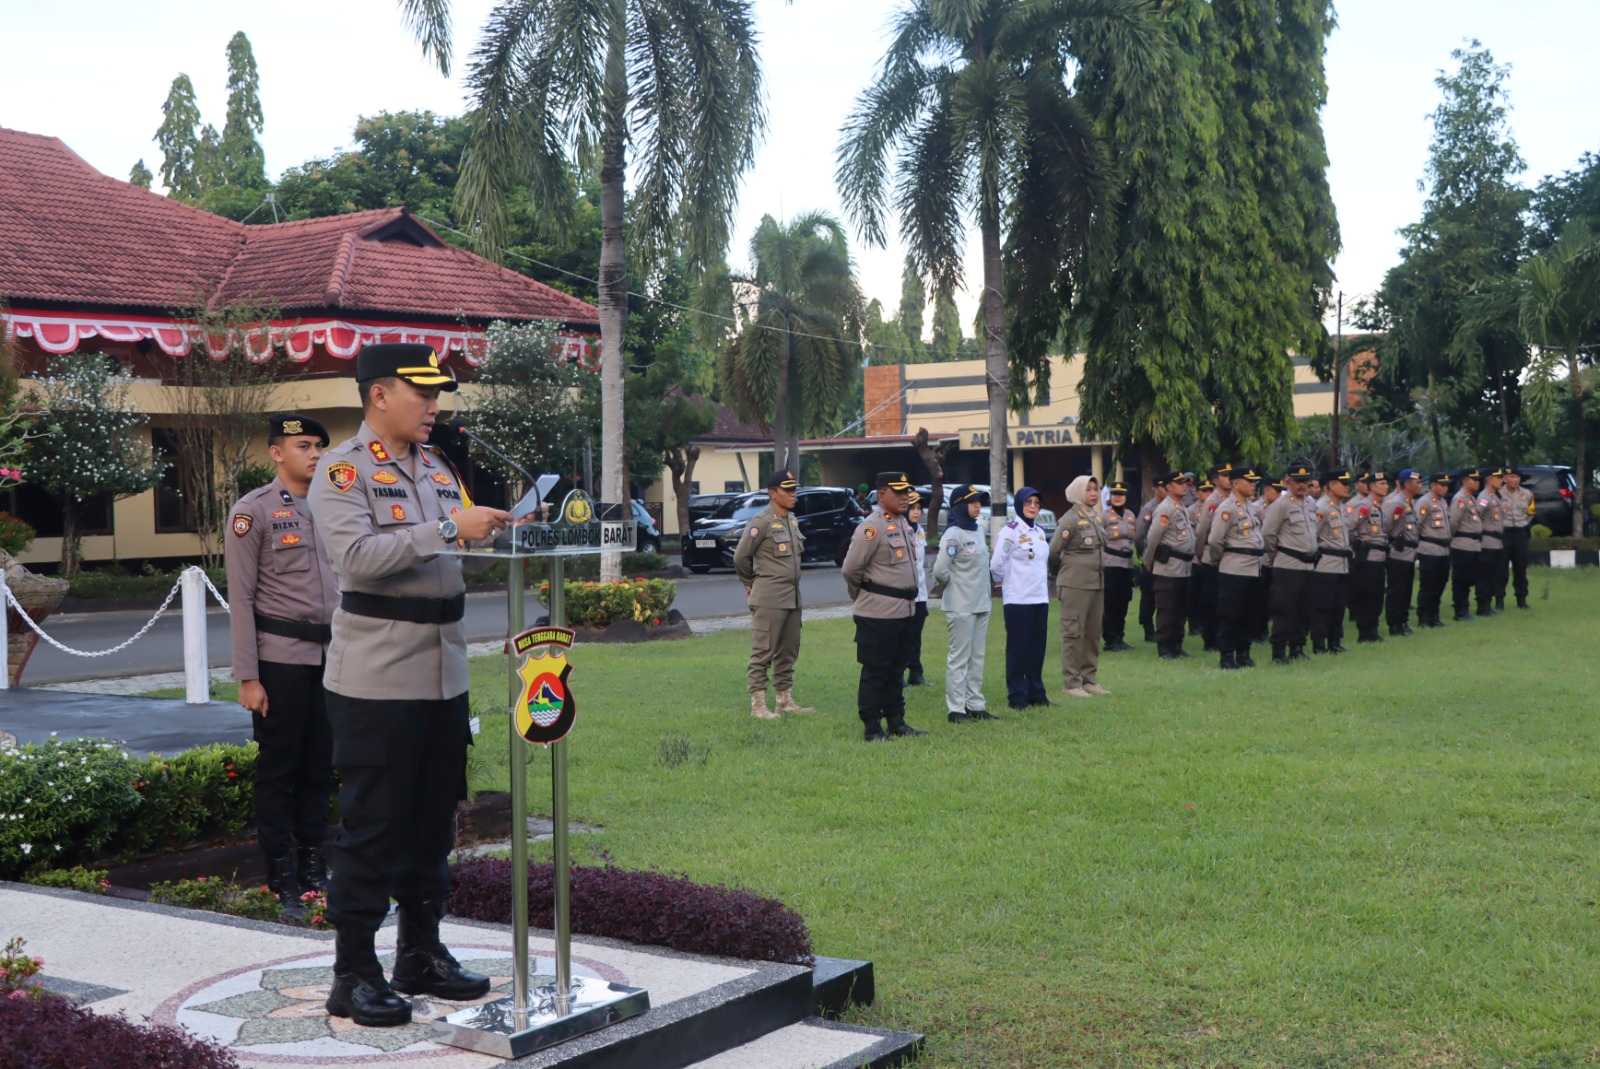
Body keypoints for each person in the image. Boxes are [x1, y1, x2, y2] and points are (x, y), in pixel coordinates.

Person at [309, 343, 510, 1027]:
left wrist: (493, 530)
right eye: (420, 394)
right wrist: (450, 524)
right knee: (373, 825)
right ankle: (353, 971)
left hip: (442, 672)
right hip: (377, 679)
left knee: (431, 825)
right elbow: (359, 559)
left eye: (437, 394)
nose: (434, 406)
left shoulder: (437, 466)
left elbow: (446, 549)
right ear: (378, 396)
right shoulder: (342, 471)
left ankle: (419, 951)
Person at [225, 414, 337, 914]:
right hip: (280, 661)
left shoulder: (335, 506)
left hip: (333, 659)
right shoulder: (254, 512)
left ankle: (315, 867)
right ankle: (281, 875)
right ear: (276, 452)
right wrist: (249, 676)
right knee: (279, 771)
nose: (313, 454)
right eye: (303, 445)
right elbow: (241, 599)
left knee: (321, 767)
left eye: (317, 446)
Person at [841, 471, 926, 741]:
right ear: (881, 495)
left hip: (904, 611)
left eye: (906, 492)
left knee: (896, 670)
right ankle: (872, 726)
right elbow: (851, 569)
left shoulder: (903, 524)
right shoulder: (870, 526)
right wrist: (864, 596)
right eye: (898, 492)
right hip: (877, 613)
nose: (904, 498)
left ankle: (897, 721)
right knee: (876, 671)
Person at [732, 468, 813, 720]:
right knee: (763, 651)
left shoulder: (791, 520)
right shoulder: (761, 522)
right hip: (769, 596)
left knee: (788, 649)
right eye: (787, 490)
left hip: (792, 596)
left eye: (794, 489)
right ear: (772, 493)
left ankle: (784, 700)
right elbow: (741, 557)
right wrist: (752, 583)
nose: (793, 495)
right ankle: (758, 705)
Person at [932, 485, 995, 723]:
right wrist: (955, 584)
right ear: (959, 505)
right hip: (960, 605)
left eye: (980, 501)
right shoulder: (953, 534)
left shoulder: (978, 531)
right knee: (959, 658)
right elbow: (939, 570)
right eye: (973, 502)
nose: (978, 506)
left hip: (981, 603)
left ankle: (975, 704)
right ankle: (956, 709)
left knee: (977, 657)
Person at [992, 486, 1051, 707]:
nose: (1033, 507)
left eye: (1036, 503)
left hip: (1040, 598)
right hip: (1018, 599)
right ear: (1019, 505)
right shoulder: (1010, 531)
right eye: (1028, 503)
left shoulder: (1040, 532)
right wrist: (1005, 582)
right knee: (1018, 649)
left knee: (1037, 648)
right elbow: (997, 563)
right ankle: (1017, 695)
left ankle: (1037, 693)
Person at [1050, 476, 1107, 697]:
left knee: (1093, 633)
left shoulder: (1095, 517)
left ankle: (1089, 679)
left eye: (1096, 489)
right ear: (1077, 492)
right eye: (1088, 490)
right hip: (1075, 584)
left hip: (1096, 583)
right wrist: (1061, 575)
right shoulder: (1070, 519)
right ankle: (1072, 683)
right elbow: (1054, 552)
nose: (1093, 493)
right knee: (1073, 633)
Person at [1207, 468, 1264, 669]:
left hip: (1253, 568)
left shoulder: (1251, 507)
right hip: (1234, 568)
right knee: (1230, 614)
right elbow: (1215, 540)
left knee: (1249, 614)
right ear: (1236, 484)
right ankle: (1227, 656)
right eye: (1249, 481)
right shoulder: (1227, 508)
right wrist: (1218, 561)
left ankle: (1243, 653)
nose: (1253, 485)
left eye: (1254, 481)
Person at [1262, 462, 1318, 662]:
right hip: (1288, 565)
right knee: (1285, 610)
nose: (1302, 486)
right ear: (1287, 481)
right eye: (1297, 481)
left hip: (1308, 564)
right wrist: (1276, 555)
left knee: (1304, 609)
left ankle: (1298, 648)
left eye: (1305, 481)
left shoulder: (1311, 503)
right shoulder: (1280, 504)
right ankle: (1279, 651)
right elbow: (1268, 534)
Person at [1145, 471, 1195, 660]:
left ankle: (1177, 645)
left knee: (1180, 609)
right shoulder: (1165, 508)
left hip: (1183, 567)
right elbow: (1153, 538)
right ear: (1168, 487)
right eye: (1179, 482)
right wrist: (1148, 562)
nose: (1184, 486)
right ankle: (1165, 648)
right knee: (1167, 609)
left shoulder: (1181, 507)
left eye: (1185, 483)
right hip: (1168, 567)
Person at [1310, 469, 1354, 654]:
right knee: (1322, 606)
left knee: (1338, 606)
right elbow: (1313, 536)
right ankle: (1319, 644)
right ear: (1329, 486)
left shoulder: (1342, 507)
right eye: (1342, 483)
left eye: (1347, 483)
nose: (1346, 487)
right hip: (1326, 564)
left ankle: (1335, 642)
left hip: (1341, 564)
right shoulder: (1322, 508)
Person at [1191, 464, 1233, 651]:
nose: (1229, 479)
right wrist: (1200, 553)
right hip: (1211, 555)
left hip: (1229, 557)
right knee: (1211, 600)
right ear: (1216, 479)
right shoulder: (1212, 501)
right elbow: (1201, 531)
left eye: (1231, 475)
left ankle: (1223, 636)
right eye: (1225, 476)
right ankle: (1210, 639)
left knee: (1226, 600)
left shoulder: (1233, 500)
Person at [1349, 470, 1390, 643]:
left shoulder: (1381, 506)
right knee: (1367, 595)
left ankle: (1373, 629)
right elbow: (1349, 527)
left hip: (1380, 556)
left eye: (1386, 483)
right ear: (1371, 486)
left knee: (1377, 595)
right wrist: (1357, 543)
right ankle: (1365, 632)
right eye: (1381, 484)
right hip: (1367, 557)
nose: (1385, 486)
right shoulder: (1363, 506)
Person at [1382, 470, 1423, 636]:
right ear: (1406, 484)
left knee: (1406, 589)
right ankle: (1395, 624)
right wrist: (1394, 540)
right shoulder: (1395, 502)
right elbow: (1386, 526)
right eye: (1416, 482)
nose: (1420, 485)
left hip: (1409, 552)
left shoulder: (1409, 501)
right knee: (1397, 590)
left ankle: (1403, 621)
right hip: (1398, 552)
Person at [1100, 482, 1137, 651]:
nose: (1118, 497)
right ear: (1110, 497)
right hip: (1111, 564)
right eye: (1115, 494)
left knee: (1123, 602)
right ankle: (1110, 639)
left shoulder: (1130, 515)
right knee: (1110, 603)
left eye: (1121, 494)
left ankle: (1120, 637)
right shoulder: (1104, 516)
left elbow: (1133, 540)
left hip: (1126, 565)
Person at [1415, 473, 1454, 627]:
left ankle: (1434, 616)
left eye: (1446, 485)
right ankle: (1423, 617)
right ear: (1432, 485)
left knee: (1440, 583)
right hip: (1429, 549)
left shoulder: (1443, 502)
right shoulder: (1424, 502)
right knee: (1428, 585)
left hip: (1443, 550)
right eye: (1441, 485)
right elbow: (1417, 524)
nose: (1445, 488)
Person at [1449, 468, 1484, 621]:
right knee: (1461, 579)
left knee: (1470, 578)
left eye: (1478, 480)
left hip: (1473, 544)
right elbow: (1453, 522)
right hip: (1462, 544)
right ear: (1464, 481)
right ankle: (1460, 611)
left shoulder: (1471, 498)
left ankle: (1465, 609)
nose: (1477, 482)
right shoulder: (1460, 499)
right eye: (1473, 480)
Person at [1134, 475, 1166, 643]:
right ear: (1155, 488)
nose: (1164, 490)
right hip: (1151, 558)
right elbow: (1139, 536)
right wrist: (1145, 556)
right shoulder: (1149, 508)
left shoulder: (1172, 506)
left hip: (1165, 559)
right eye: (1161, 486)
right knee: (1149, 597)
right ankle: (1148, 628)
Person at [903, 492, 930, 686]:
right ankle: (897, 673)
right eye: (912, 508)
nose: (916, 512)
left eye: (919, 508)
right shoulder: (898, 529)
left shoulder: (920, 531)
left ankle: (915, 672)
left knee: (916, 635)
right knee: (901, 636)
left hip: (920, 593)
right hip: (903, 595)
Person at [1500, 468, 1535, 609]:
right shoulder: (1498, 493)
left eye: (1516, 477)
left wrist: (1524, 524)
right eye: (1511, 476)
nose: (1514, 480)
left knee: (1520, 568)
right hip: (1504, 533)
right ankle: (1499, 599)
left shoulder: (1527, 494)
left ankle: (1521, 599)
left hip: (1520, 533)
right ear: (1504, 478)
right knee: (1501, 568)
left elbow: (1531, 513)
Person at [1476, 468, 1506, 615]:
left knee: (1493, 575)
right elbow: (1477, 516)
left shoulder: (1494, 496)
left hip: (1496, 541)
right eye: (1498, 477)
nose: (1502, 480)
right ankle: (1482, 606)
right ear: (1489, 479)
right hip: (1487, 541)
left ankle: (1487, 604)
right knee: (1485, 575)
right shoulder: (1484, 497)